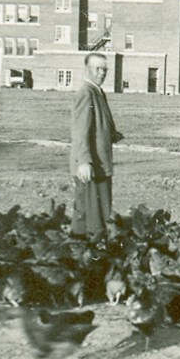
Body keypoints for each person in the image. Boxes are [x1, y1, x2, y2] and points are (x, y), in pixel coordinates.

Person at [70, 52, 124, 238]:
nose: (102, 73)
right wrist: (84, 161)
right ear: (87, 70)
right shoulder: (85, 92)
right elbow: (80, 130)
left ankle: (85, 250)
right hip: (92, 166)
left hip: (101, 164)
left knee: (99, 211)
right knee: (90, 215)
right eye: (98, 68)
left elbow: (97, 123)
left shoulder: (98, 91)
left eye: (105, 69)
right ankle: (83, 253)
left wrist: (112, 134)